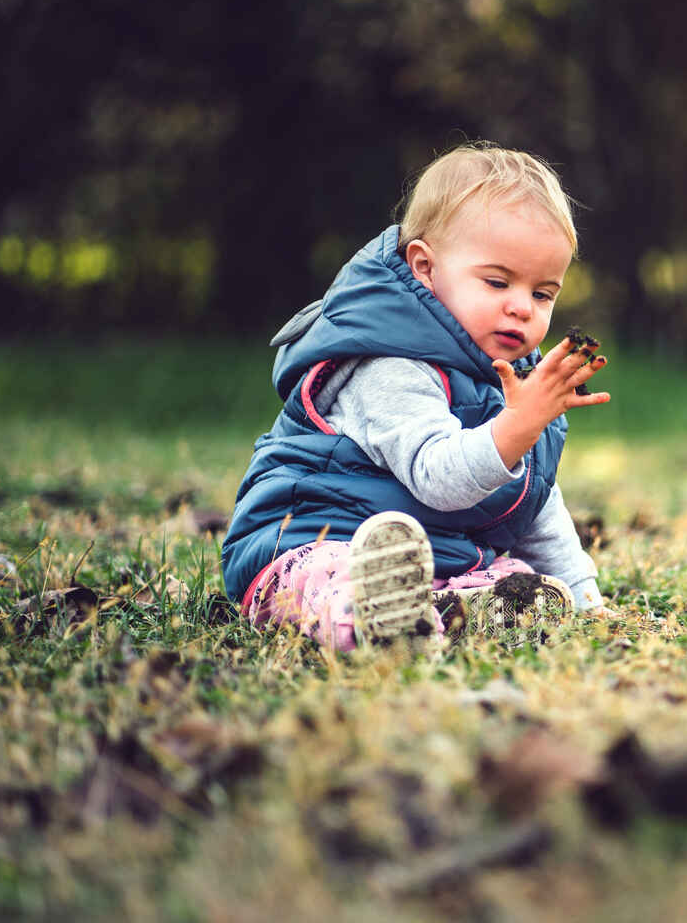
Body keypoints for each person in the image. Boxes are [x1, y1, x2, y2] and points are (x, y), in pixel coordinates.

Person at [220, 143, 610, 651]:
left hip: (434, 557)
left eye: (542, 294)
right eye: (497, 282)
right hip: (309, 540)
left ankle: (446, 615)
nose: (521, 307)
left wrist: (585, 599)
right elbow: (439, 477)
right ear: (425, 267)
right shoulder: (389, 364)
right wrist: (518, 425)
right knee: (329, 575)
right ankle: (367, 620)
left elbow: (533, 502)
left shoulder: (511, 378)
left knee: (516, 579)